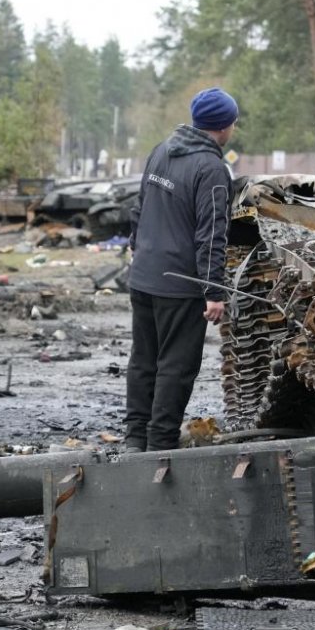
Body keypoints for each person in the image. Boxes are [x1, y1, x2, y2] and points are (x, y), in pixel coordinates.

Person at [124, 87, 238, 452]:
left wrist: (136, 250)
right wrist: (214, 292)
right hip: (180, 287)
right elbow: (212, 235)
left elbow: (139, 209)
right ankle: (159, 446)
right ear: (225, 126)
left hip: (143, 278)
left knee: (144, 360)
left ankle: (134, 439)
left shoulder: (160, 151)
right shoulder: (212, 169)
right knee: (176, 366)